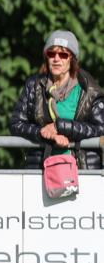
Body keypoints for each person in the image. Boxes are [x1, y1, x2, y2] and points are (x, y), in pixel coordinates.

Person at [10, 30, 104, 169]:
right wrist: (44, 133)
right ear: (46, 57)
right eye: (51, 53)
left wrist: (60, 127)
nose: (56, 59)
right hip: (41, 170)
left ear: (72, 59)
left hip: (82, 171)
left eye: (63, 54)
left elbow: (100, 129)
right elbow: (16, 124)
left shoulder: (89, 90)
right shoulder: (33, 85)